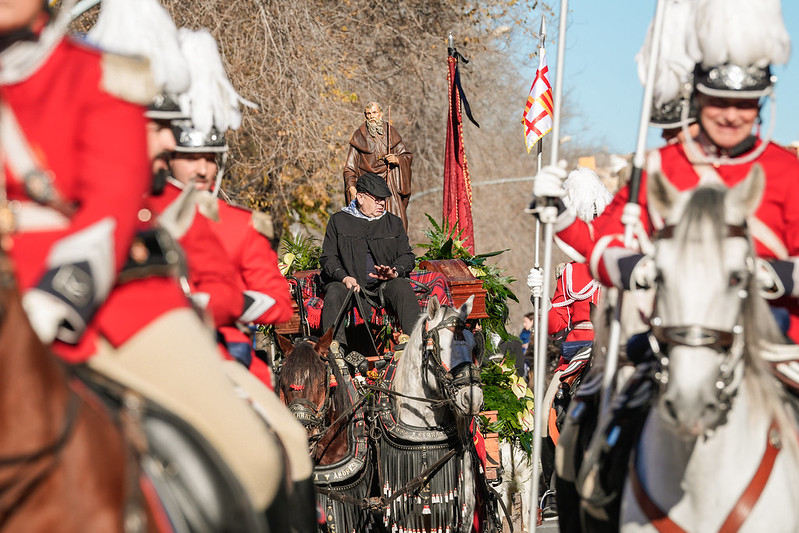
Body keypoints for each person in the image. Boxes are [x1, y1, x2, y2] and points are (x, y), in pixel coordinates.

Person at [320, 172, 420, 351]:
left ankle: (415, 342)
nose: (382, 203)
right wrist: (344, 278)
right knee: (334, 291)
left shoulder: (393, 223)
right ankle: (334, 349)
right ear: (360, 197)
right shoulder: (338, 221)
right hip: (348, 285)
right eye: (376, 199)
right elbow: (328, 257)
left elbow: (407, 256)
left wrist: (394, 271)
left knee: (402, 287)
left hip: (382, 286)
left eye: (384, 199)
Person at [343, 101, 413, 229]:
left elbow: (407, 155)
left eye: (374, 113)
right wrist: (351, 187)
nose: (371, 116)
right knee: (370, 227)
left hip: (389, 184)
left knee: (396, 224)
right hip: (369, 187)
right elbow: (349, 168)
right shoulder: (359, 136)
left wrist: (397, 160)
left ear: (380, 114)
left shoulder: (391, 132)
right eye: (368, 114)